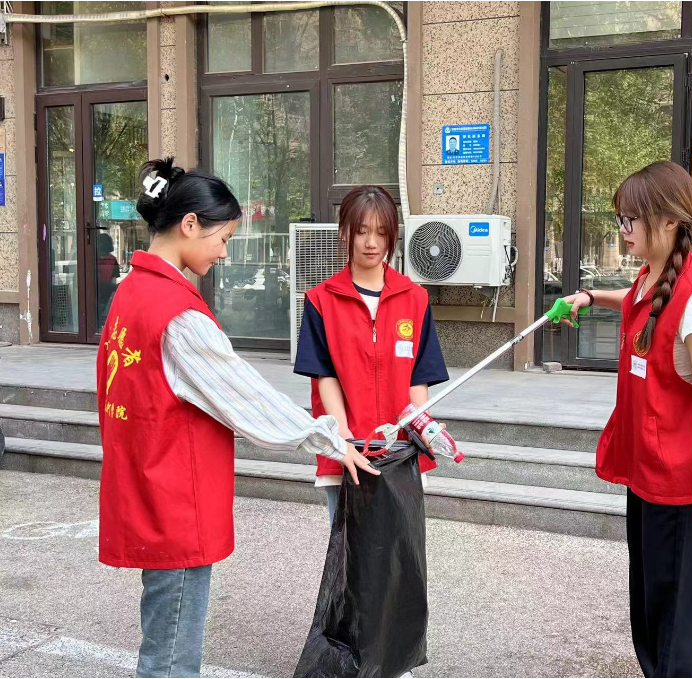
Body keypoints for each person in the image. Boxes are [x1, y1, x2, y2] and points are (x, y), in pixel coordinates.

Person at [96, 157, 377, 679]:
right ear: (189, 225)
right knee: (171, 656)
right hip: (174, 497)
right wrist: (328, 439)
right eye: (222, 238)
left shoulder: (130, 292)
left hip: (144, 483)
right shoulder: (177, 314)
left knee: (162, 636)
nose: (224, 252)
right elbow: (246, 397)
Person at [563, 161, 692, 678]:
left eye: (631, 219)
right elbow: (635, 299)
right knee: (649, 598)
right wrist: (591, 296)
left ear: (669, 221)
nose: (624, 229)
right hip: (646, 472)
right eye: (621, 219)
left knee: (674, 614)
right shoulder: (651, 277)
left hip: (680, 486)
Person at [294, 185, 449, 525]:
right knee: (350, 549)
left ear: (393, 235)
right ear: (345, 232)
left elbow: (418, 376)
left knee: (400, 549)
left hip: (401, 451)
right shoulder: (321, 301)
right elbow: (325, 377)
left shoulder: (415, 298)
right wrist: (343, 440)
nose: (371, 243)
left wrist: (423, 428)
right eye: (361, 231)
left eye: (381, 232)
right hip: (348, 450)